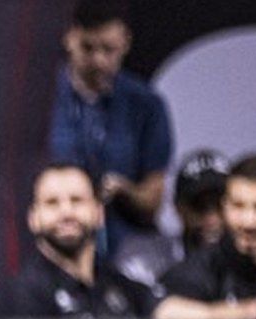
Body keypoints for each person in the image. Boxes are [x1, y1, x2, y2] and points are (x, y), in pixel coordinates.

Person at [47, 0, 173, 254]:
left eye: (109, 49)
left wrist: (125, 190)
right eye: (88, 48)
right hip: (53, 241)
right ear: (69, 37)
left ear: (125, 42)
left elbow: (153, 198)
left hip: (122, 244)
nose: (99, 61)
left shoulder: (146, 104)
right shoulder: (39, 100)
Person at [155, 153, 256, 319]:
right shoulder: (203, 266)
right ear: (225, 207)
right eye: (238, 206)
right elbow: (165, 313)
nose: (248, 222)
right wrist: (253, 309)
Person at [0, 162, 156, 319]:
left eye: (77, 200)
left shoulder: (122, 287)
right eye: (52, 203)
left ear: (99, 213)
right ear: (33, 219)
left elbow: (163, 311)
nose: (66, 212)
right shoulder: (20, 298)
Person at [113, 148, 227, 291]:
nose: (212, 219)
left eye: (221, 206)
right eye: (199, 206)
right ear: (178, 208)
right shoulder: (144, 261)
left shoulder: (250, 265)